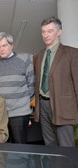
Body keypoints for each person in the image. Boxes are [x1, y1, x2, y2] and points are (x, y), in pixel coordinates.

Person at [33, 16, 78, 147]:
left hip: (63, 106)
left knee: (66, 147)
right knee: (50, 145)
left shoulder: (72, 53)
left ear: (59, 32)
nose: (46, 35)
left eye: (50, 31)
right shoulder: (38, 56)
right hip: (43, 105)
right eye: (43, 31)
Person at [0, 32, 35, 144]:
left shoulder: (24, 61)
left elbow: (31, 84)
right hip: (1, 114)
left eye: (4, 45)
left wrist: (22, 103)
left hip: (19, 113)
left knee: (20, 147)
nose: (1, 49)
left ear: (11, 45)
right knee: (2, 146)